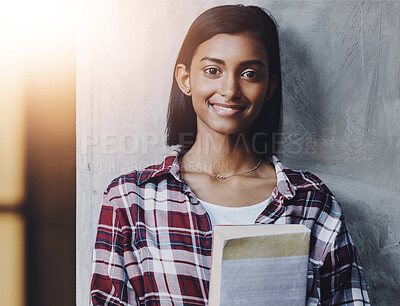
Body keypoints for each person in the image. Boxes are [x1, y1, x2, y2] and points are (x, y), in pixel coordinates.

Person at [90, 4, 369, 305]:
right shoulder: (132, 199)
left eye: (249, 73)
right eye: (213, 70)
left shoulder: (311, 203)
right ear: (185, 79)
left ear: (270, 86)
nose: (230, 89)